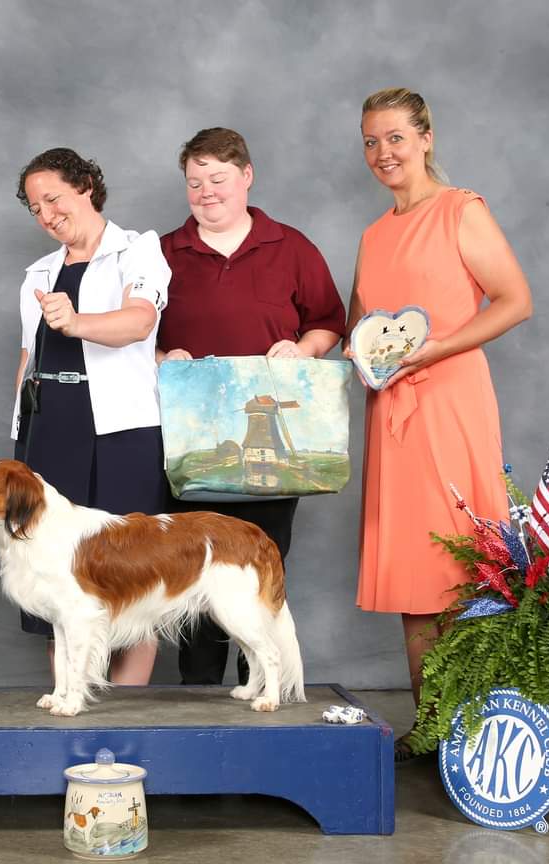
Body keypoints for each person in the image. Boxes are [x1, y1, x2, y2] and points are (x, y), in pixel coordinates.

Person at [346, 89, 532, 761]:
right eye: (370, 141)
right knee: (414, 574)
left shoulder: (461, 210)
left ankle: (480, 729)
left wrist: (435, 349)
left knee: (462, 564)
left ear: (425, 137)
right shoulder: (372, 235)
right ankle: (431, 727)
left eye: (394, 137)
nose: (382, 153)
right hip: (392, 407)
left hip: (450, 396)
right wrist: (357, 351)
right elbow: (363, 326)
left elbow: (516, 301)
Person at [156, 127, 347, 687]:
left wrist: (302, 348)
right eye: (195, 183)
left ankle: (260, 686)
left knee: (260, 571)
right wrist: (165, 355)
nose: (206, 192)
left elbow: (329, 320)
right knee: (193, 575)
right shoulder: (163, 253)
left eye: (218, 179)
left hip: (270, 456)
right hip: (190, 447)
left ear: (246, 176)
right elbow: (137, 330)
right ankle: (197, 695)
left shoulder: (291, 247)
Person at [12, 147, 171, 684]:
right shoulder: (39, 271)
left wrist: (75, 321)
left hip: (122, 434)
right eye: (35, 208)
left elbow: (138, 322)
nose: (46, 215)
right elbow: (28, 357)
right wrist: (20, 433)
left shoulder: (139, 251)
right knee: (56, 579)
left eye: (52, 198)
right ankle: (73, 707)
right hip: (50, 436)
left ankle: (125, 717)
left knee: (131, 579)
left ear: (85, 186)